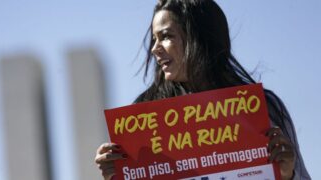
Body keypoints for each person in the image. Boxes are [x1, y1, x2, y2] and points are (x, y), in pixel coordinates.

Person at [95, 0, 311, 179]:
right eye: (154, 39)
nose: (154, 49)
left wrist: (288, 174)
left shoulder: (263, 109)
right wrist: (117, 174)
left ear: (199, 38)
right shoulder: (143, 117)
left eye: (166, 36)